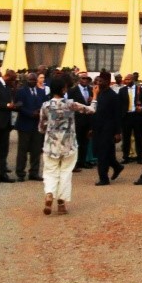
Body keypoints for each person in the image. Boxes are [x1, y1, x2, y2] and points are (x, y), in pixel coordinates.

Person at [38, 75, 93, 214]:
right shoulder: (70, 104)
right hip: (69, 144)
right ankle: (61, 203)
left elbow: (41, 127)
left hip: (51, 144)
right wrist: (96, 96)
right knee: (65, 173)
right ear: (64, 89)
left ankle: (50, 193)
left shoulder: (46, 105)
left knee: (50, 171)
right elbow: (91, 110)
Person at [90, 70, 124, 185]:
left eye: (101, 81)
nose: (98, 82)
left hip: (108, 129)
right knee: (106, 153)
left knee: (102, 154)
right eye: (98, 80)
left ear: (108, 82)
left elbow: (117, 115)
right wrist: (91, 128)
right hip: (97, 128)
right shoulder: (97, 94)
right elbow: (93, 111)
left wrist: (118, 132)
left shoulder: (113, 96)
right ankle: (117, 167)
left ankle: (103, 178)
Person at [14, 71, 47, 182]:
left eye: (34, 80)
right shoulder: (21, 92)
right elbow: (18, 106)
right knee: (22, 150)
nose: (32, 82)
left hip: (37, 124)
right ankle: (20, 173)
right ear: (27, 81)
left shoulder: (41, 92)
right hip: (24, 123)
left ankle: (34, 172)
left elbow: (45, 105)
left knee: (36, 150)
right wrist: (30, 113)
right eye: (30, 80)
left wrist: (39, 112)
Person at [68, 72, 94, 170]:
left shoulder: (91, 90)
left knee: (85, 142)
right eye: (83, 78)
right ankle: (75, 162)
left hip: (87, 119)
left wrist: (92, 100)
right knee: (76, 142)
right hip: (77, 120)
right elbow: (70, 105)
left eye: (87, 79)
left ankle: (83, 161)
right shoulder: (73, 91)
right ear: (79, 79)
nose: (85, 80)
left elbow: (93, 105)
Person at [122, 73, 142, 163]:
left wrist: (141, 108)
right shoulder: (122, 90)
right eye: (126, 79)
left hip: (137, 116)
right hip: (126, 117)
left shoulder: (140, 90)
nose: (127, 81)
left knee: (139, 137)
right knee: (126, 138)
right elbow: (119, 104)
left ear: (133, 80)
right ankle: (126, 157)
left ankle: (140, 157)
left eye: (129, 79)